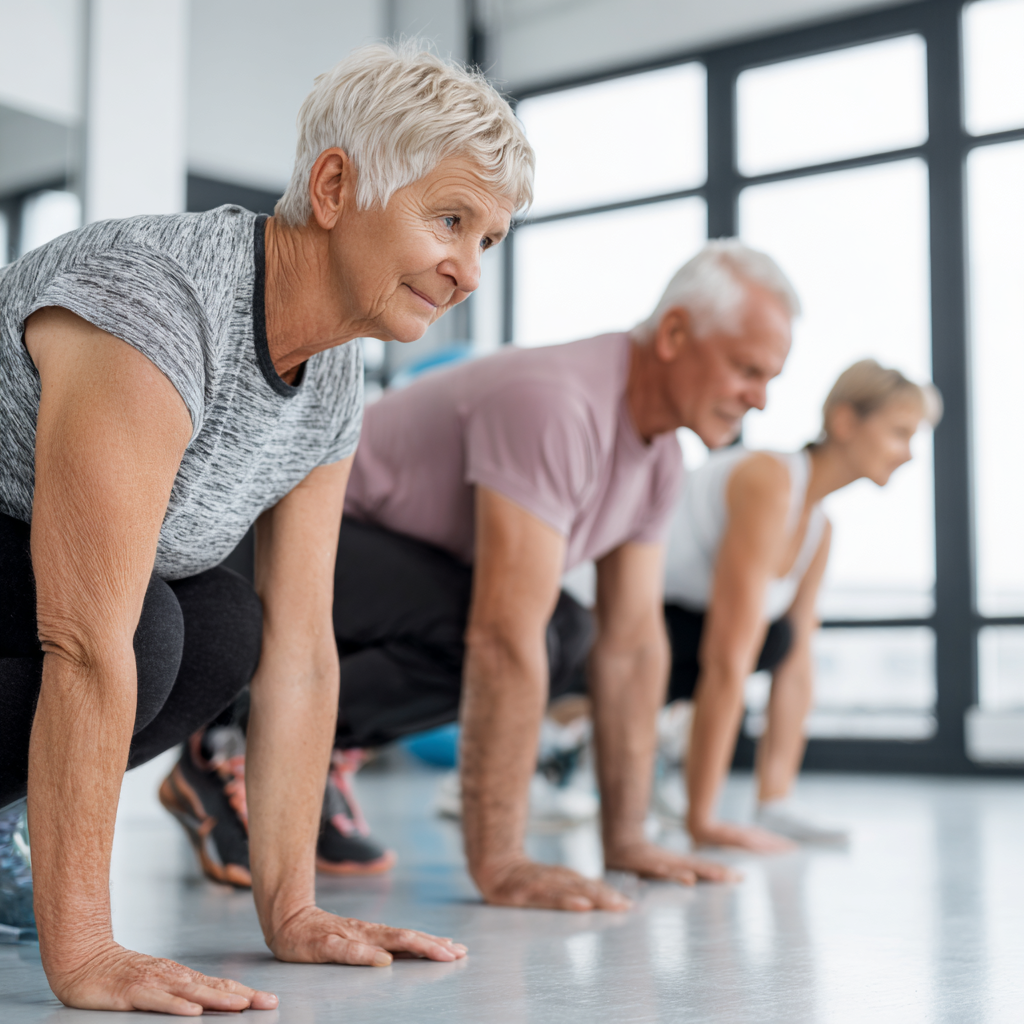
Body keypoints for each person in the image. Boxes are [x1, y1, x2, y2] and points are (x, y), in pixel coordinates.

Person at [0, 43, 532, 1013]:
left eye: (487, 240)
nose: (465, 270)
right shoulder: (154, 298)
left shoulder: (331, 372)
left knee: (226, 625)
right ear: (334, 185)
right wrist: (83, 954)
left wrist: (294, 911)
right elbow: (84, 640)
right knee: (144, 628)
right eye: (448, 219)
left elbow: (302, 646)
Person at [192, 240, 801, 908]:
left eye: (770, 378)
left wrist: (628, 839)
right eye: (748, 370)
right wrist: (502, 861)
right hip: (264, 546)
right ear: (676, 333)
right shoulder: (559, 404)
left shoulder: (655, 463)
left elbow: (631, 646)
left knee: (570, 631)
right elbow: (504, 635)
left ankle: (308, 751)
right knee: (534, 631)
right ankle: (231, 743)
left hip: (375, 577)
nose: (761, 400)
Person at [663, 359, 942, 852]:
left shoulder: (818, 527)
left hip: (677, 633)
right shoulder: (770, 478)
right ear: (844, 421)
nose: (909, 454)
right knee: (754, 640)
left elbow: (796, 661)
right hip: (606, 622)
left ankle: (775, 800)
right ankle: (575, 739)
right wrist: (703, 821)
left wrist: (776, 802)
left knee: (783, 640)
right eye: (900, 432)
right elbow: (727, 657)